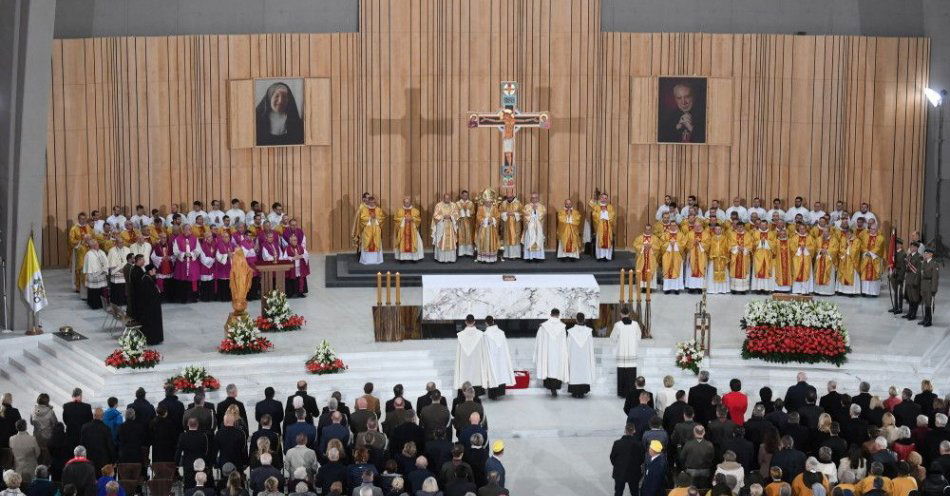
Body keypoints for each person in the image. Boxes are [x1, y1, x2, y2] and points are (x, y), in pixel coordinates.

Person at [453, 315, 493, 395]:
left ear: (465, 322)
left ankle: (464, 392)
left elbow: (459, 355)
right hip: (476, 363)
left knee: (465, 375)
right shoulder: (480, 334)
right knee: (476, 376)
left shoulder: (461, 335)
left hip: (464, 364)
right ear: (474, 322)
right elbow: (483, 352)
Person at [255, 81, 304, 146]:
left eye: (284, 96)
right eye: (276, 96)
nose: (280, 101)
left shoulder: (296, 121)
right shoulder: (257, 120)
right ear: (269, 98)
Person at [534, 308, 568, 397]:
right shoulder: (562, 327)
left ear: (551, 314)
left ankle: (550, 388)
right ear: (558, 314)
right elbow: (564, 343)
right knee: (557, 369)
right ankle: (555, 388)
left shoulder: (544, 326)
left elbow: (539, 340)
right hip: (558, 354)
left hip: (547, 354)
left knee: (548, 368)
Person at [610, 307, 641, 398]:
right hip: (632, 354)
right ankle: (631, 394)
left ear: (621, 314)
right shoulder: (635, 324)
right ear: (629, 313)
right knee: (631, 375)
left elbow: (613, 338)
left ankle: (622, 393)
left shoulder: (618, 325)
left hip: (621, 354)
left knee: (622, 375)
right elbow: (639, 337)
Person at [482, 317, 515, 400]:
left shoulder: (486, 335)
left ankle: (493, 395)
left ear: (486, 323)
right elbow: (505, 348)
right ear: (493, 321)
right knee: (500, 372)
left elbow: (484, 349)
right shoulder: (501, 333)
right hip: (501, 358)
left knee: (492, 374)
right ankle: (500, 393)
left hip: (491, 358)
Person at [566, 313, 595, 398]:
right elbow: (591, 347)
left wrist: (568, 357)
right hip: (585, 357)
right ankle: (582, 391)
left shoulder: (571, 332)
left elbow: (568, 347)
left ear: (576, 319)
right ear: (584, 319)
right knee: (584, 372)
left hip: (574, 357)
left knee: (574, 372)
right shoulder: (589, 332)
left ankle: (574, 392)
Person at [610, 424, 644, 496]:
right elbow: (641, 458)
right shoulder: (638, 444)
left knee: (618, 492)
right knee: (634, 492)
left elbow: (612, 457)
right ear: (634, 431)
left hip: (620, 472)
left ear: (625, 431)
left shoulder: (617, 443)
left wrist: (618, 465)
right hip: (634, 472)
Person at [136, 265, 164, 345]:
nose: (155, 272)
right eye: (154, 270)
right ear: (150, 271)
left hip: (152, 306)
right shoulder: (146, 280)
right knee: (152, 323)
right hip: (150, 307)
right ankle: (152, 340)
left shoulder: (148, 278)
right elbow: (149, 294)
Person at [393, 197, 424, 262]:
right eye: (405, 202)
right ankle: (402, 258)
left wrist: (412, 219)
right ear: (403, 202)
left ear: (410, 202)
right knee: (402, 242)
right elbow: (396, 219)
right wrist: (403, 219)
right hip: (402, 231)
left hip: (413, 231)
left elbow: (418, 220)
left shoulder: (415, 211)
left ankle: (414, 258)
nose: (406, 204)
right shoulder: (399, 211)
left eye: (408, 202)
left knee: (414, 242)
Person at [357, 196, 386, 265]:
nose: (372, 204)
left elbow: (382, 219)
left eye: (373, 202)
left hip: (376, 230)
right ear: (368, 202)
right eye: (371, 202)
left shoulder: (378, 210)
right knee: (367, 243)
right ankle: (366, 261)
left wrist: (376, 217)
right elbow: (362, 219)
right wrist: (370, 218)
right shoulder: (364, 210)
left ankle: (377, 260)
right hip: (367, 230)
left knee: (376, 243)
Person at [9, 420, 39, 485]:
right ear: (25, 427)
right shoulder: (32, 439)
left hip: (18, 468)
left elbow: (12, 454)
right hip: (31, 469)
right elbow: (38, 453)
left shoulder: (11, 439)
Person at [431, 194, 459, 263]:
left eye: (448, 198)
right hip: (441, 226)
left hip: (450, 226)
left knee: (451, 242)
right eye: (446, 198)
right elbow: (435, 215)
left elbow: (457, 214)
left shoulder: (453, 205)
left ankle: (451, 259)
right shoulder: (438, 205)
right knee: (441, 241)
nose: (447, 199)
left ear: (450, 198)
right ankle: (441, 259)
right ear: (443, 198)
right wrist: (443, 216)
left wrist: (451, 216)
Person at [82, 240, 109, 309]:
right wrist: (96, 272)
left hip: (101, 274)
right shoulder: (89, 254)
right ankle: (93, 304)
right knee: (93, 290)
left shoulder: (101, 252)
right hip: (93, 275)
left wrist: (105, 269)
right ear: (93, 246)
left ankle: (101, 304)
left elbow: (106, 262)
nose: (98, 246)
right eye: (97, 245)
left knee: (101, 290)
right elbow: (90, 266)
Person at [591, 192, 617, 260]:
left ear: (607, 199)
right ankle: (600, 256)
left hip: (608, 227)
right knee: (600, 240)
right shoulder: (596, 206)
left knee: (608, 240)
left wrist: (606, 212)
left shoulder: (610, 206)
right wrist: (601, 213)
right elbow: (594, 215)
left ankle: (607, 256)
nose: (604, 199)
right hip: (600, 227)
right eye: (602, 197)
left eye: (605, 198)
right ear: (600, 198)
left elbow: (613, 215)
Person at [521, 192, 545, 261]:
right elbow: (525, 215)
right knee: (530, 240)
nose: (534, 199)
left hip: (538, 228)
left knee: (538, 240)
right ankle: (529, 257)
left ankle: (538, 257)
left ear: (538, 198)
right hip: (530, 228)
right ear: (530, 198)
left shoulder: (541, 207)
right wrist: (532, 212)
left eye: (536, 198)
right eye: (532, 198)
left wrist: (535, 211)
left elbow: (542, 215)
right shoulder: (527, 206)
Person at [632, 225, 658, 290]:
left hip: (651, 259)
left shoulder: (655, 238)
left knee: (651, 270)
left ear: (651, 230)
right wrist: (643, 246)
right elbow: (635, 245)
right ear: (644, 229)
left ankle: (650, 287)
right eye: (646, 229)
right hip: (642, 259)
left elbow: (658, 247)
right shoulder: (639, 238)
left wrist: (651, 246)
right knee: (642, 270)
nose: (648, 231)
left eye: (649, 229)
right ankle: (643, 287)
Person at [474, 197, 500, 263]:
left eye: (490, 202)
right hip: (483, 228)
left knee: (492, 241)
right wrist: (485, 220)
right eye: (487, 202)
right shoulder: (480, 208)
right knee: (483, 240)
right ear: (484, 202)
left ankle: (491, 258)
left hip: (491, 228)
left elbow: (497, 217)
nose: (488, 203)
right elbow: (478, 217)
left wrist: (493, 219)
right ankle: (482, 258)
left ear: (491, 202)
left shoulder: (494, 208)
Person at [729, 223, 752, 293]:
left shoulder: (748, 235)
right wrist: (736, 247)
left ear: (743, 227)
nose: (739, 228)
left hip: (744, 257)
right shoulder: (732, 234)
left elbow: (751, 244)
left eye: (741, 227)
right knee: (735, 271)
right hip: (735, 256)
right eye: (738, 227)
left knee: (744, 271)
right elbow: (729, 243)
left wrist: (744, 248)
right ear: (736, 227)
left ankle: (743, 290)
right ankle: (734, 289)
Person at [498, 194, 522, 260]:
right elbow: (499, 213)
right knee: (507, 238)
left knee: (515, 238)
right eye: (508, 197)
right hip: (506, 224)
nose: (509, 198)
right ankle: (506, 254)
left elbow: (522, 213)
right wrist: (505, 214)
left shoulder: (518, 203)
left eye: (511, 197)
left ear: (513, 196)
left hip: (515, 225)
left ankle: (515, 255)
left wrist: (514, 214)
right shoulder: (503, 203)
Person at [919, 248, 939, 327]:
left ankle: (929, 320)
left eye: (926, 253)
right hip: (923, 285)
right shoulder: (924, 262)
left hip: (929, 286)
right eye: (924, 253)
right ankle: (925, 319)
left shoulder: (934, 264)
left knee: (928, 303)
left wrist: (934, 290)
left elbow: (935, 278)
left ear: (931, 254)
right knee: (925, 302)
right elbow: (921, 275)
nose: (925, 254)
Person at [455, 190, 476, 258]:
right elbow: (455, 213)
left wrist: (468, 212)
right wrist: (461, 212)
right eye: (464, 195)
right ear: (461, 195)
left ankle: (469, 252)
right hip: (460, 223)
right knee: (461, 237)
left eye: (466, 195)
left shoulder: (471, 203)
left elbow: (473, 213)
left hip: (468, 223)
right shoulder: (457, 203)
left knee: (469, 237)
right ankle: (461, 252)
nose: (465, 196)